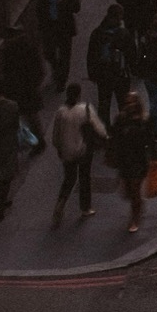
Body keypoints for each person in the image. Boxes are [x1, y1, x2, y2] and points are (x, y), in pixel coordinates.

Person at [49, 83, 108, 225]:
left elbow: (55, 136)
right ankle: (85, 208)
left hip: (67, 151)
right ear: (79, 94)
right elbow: (99, 129)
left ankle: (61, 202)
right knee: (84, 177)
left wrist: (59, 148)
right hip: (83, 150)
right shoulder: (85, 109)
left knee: (69, 179)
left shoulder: (60, 112)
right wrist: (106, 137)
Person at [109, 83, 157, 236]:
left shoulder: (144, 121)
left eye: (132, 102)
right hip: (124, 160)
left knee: (135, 190)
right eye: (127, 102)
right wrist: (112, 154)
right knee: (128, 192)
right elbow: (114, 138)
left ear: (137, 104)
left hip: (138, 160)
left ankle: (134, 218)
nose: (129, 105)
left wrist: (154, 158)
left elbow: (151, 140)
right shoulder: (120, 119)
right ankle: (139, 206)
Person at [0, 25, 46, 152]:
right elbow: (39, 70)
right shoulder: (28, 48)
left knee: (28, 117)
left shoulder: (9, 52)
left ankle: (37, 141)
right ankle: (37, 141)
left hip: (20, 89)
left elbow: (6, 72)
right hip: (26, 89)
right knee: (31, 117)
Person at [87, 3, 133, 125]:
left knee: (104, 106)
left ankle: (105, 130)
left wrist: (92, 74)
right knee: (123, 105)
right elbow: (131, 54)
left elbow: (91, 55)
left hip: (103, 75)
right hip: (120, 75)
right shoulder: (124, 34)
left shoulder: (97, 33)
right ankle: (123, 129)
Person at [37, 0, 77, 88]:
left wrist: (63, 4)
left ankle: (62, 80)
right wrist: (42, 24)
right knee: (49, 53)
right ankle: (56, 69)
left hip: (65, 27)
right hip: (50, 26)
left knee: (65, 55)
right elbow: (40, 7)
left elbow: (76, 7)